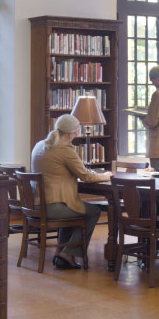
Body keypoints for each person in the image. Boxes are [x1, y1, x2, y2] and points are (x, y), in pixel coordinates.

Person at [29, 113, 113, 269]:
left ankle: (61, 252)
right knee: (93, 211)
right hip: (53, 206)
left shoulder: (40, 144)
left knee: (74, 210)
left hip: (36, 204)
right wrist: (106, 175)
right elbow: (86, 176)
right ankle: (68, 254)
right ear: (72, 133)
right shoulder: (64, 148)